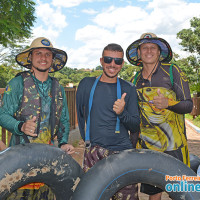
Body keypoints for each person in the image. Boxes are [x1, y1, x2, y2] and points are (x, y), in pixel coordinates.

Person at [0, 37, 74, 200]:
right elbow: (2, 114)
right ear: (30, 58)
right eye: (38, 53)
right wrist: (20, 126)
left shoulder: (58, 88)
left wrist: (63, 143)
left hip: (48, 165)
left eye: (48, 54)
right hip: (19, 166)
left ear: (52, 60)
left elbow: (63, 121)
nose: (43, 57)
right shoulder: (18, 83)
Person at [126, 33, 193, 200]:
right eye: (144, 48)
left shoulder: (172, 71)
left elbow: (189, 105)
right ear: (139, 53)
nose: (149, 51)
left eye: (153, 47)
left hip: (175, 147)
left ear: (159, 52)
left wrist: (168, 104)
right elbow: (136, 118)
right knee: (153, 193)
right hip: (148, 147)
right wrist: (132, 147)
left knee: (182, 193)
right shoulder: (135, 79)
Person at [76, 43, 140, 200]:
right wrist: (88, 141)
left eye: (118, 61)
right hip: (93, 152)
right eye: (108, 59)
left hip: (122, 153)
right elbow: (80, 114)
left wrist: (122, 113)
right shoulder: (86, 84)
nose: (113, 64)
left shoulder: (129, 88)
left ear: (122, 64)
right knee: (92, 196)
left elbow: (135, 125)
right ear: (101, 60)